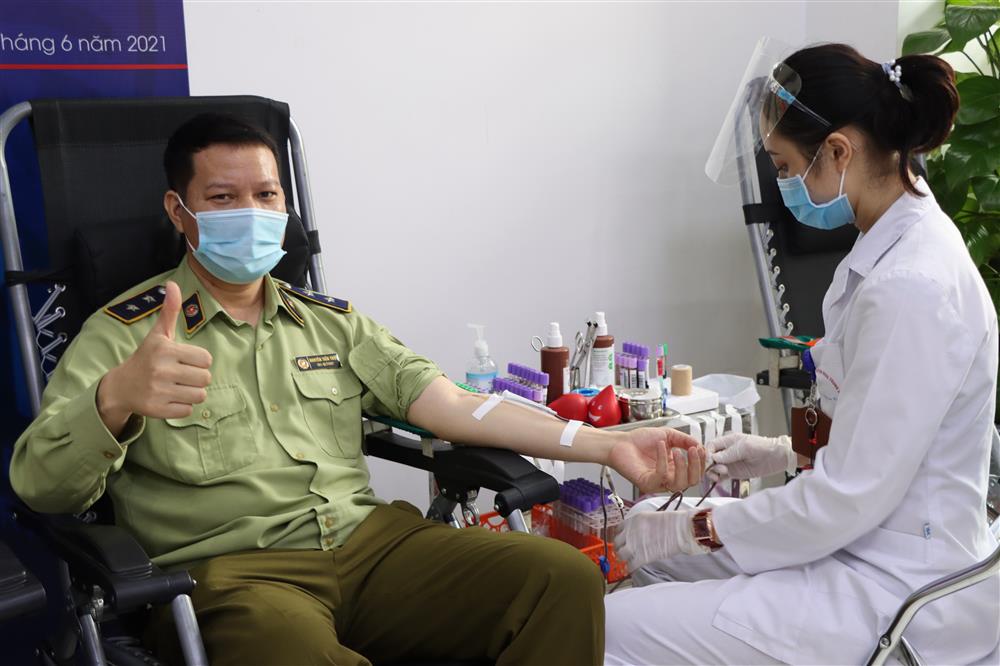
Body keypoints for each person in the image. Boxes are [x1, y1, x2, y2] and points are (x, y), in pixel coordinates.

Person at [9, 113, 706, 666]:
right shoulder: (126, 335)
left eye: (266, 195)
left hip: (373, 549)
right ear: (178, 208)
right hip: (235, 577)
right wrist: (116, 399)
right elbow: (41, 489)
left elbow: (453, 406)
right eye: (222, 198)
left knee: (560, 578)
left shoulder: (331, 322)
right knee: (299, 652)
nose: (250, 211)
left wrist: (606, 446)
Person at [605, 41, 1000, 665]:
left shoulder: (912, 288)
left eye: (785, 167)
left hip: (892, 588)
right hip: (861, 538)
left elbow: (845, 500)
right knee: (651, 532)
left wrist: (696, 526)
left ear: (839, 151)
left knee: (606, 627)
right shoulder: (889, 247)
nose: (784, 185)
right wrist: (783, 451)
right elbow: (884, 442)